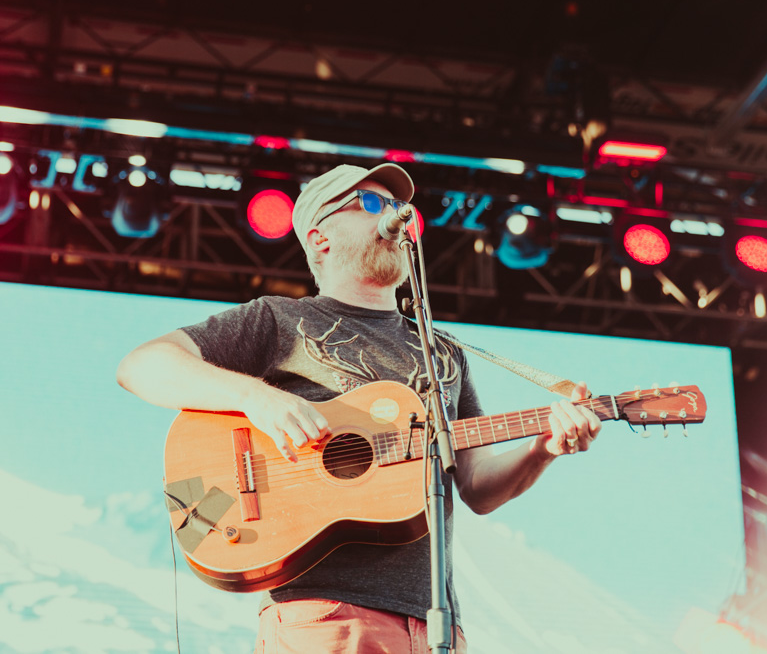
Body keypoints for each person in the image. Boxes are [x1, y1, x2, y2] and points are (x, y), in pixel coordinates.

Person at [116, 162, 602, 653]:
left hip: (434, 626)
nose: (394, 215)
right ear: (320, 236)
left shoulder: (444, 355)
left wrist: (545, 448)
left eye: (396, 207)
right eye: (371, 204)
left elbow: (476, 487)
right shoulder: (282, 322)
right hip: (324, 616)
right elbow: (143, 364)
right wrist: (256, 397)